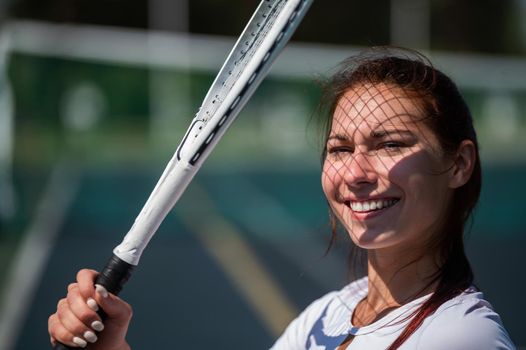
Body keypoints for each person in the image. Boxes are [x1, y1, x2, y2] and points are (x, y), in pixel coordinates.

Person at [48, 48, 516, 349]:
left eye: (390, 144)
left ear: (459, 164)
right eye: (339, 149)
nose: (355, 173)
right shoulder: (326, 315)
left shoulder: (460, 338)